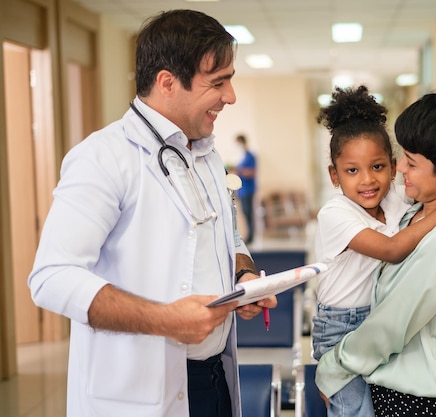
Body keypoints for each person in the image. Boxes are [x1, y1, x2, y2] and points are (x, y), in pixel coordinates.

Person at [27, 9, 275, 417]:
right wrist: (165, 320)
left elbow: (228, 237)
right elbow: (51, 277)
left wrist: (243, 276)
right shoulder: (103, 157)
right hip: (137, 393)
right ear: (167, 83)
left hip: (213, 382)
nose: (231, 96)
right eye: (218, 82)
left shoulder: (208, 154)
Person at [315, 91, 436, 417]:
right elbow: (394, 247)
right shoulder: (410, 212)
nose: (398, 169)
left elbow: (390, 325)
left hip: (424, 401)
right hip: (365, 358)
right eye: (402, 157)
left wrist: (332, 367)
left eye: (410, 163)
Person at [235, 134, 257, 243]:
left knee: (249, 213)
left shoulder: (250, 156)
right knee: (244, 213)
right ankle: (248, 235)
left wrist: (239, 171)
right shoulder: (241, 157)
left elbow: (252, 172)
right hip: (242, 190)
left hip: (249, 190)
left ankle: (251, 237)